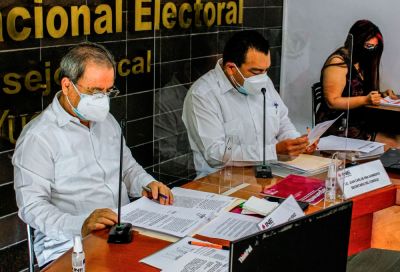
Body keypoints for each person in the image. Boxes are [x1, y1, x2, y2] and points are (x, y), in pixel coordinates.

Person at [12, 42, 173, 268]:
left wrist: (147, 183)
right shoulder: (38, 137)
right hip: (69, 245)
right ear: (67, 85)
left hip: (124, 230)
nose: (102, 99)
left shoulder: (107, 121)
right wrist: (81, 225)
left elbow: (127, 167)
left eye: (108, 91)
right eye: (95, 91)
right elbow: (32, 207)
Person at [182, 30, 317, 178]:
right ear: (231, 69)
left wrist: (297, 143)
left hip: (271, 174)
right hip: (222, 183)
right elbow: (214, 154)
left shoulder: (263, 81)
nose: (263, 77)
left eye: (266, 70)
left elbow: (282, 121)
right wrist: (273, 152)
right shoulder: (203, 95)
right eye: (256, 71)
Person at [316, 19, 398, 140]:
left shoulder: (360, 61)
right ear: (357, 42)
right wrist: (366, 99)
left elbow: (357, 91)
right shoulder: (338, 62)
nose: (371, 51)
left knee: (396, 133)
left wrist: (381, 95)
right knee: (394, 141)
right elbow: (332, 102)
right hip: (338, 125)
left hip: (359, 121)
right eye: (369, 46)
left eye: (375, 47)